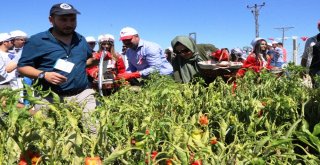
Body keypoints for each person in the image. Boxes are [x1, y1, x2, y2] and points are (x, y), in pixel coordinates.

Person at [17, 3, 98, 121]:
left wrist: (96, 61)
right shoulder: (37, 41)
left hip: (82, 94)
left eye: (72, 19)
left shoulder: (81, 40)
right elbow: (22, 67)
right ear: (51, 20)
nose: (69, 24)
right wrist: (44, 75)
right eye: (63, 20)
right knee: (51, 134)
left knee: (94, 130)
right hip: (49, 98)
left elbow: (86, 60)